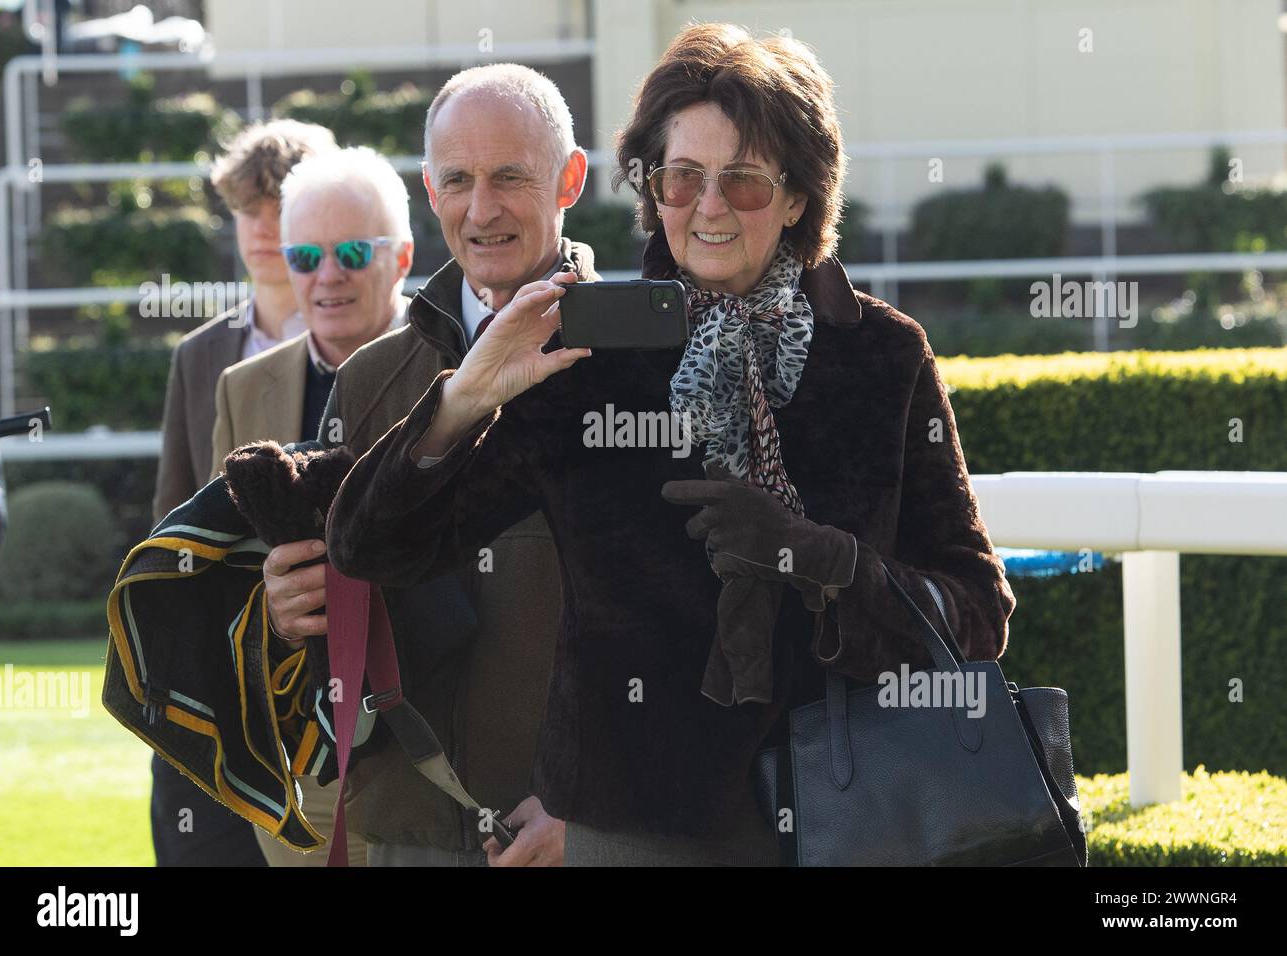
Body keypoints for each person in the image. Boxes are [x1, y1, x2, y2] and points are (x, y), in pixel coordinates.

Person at [326, 23, 1017, 866]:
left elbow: (976, 615)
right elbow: (371, 544)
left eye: (746, 182)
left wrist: (824, 562)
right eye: (682, 178)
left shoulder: (879, 353)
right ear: (652, 193)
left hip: (854, 807)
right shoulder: (592, 356)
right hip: (639, 830)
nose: (710, 205)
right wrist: (463, 398)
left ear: (799, 197)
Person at [267, 63, 591, 866]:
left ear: (571, 179)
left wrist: (592, 805)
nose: (483, 209)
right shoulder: (369, 381)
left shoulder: (638, 366)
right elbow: (332, 619)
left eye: (512, 177)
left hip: (578, 830)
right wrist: (285, 602)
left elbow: (684, 618)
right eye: (459, 180)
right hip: (410, 832)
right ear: (429, 189)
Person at [210, 144, 420, 867]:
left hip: (435, 763)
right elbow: (218, 571)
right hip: (302, 773)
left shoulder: (456, 374)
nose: (327, 276)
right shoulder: (245, 387)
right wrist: (268, 604)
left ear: (401, 258)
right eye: (305, 257)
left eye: (353, 252)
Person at [148, 118, 335, 868]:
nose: (261, 228)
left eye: (278, 207)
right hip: (228, 665)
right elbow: (174, 507)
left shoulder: (374, 342)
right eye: (246, 210)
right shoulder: (201, 356)